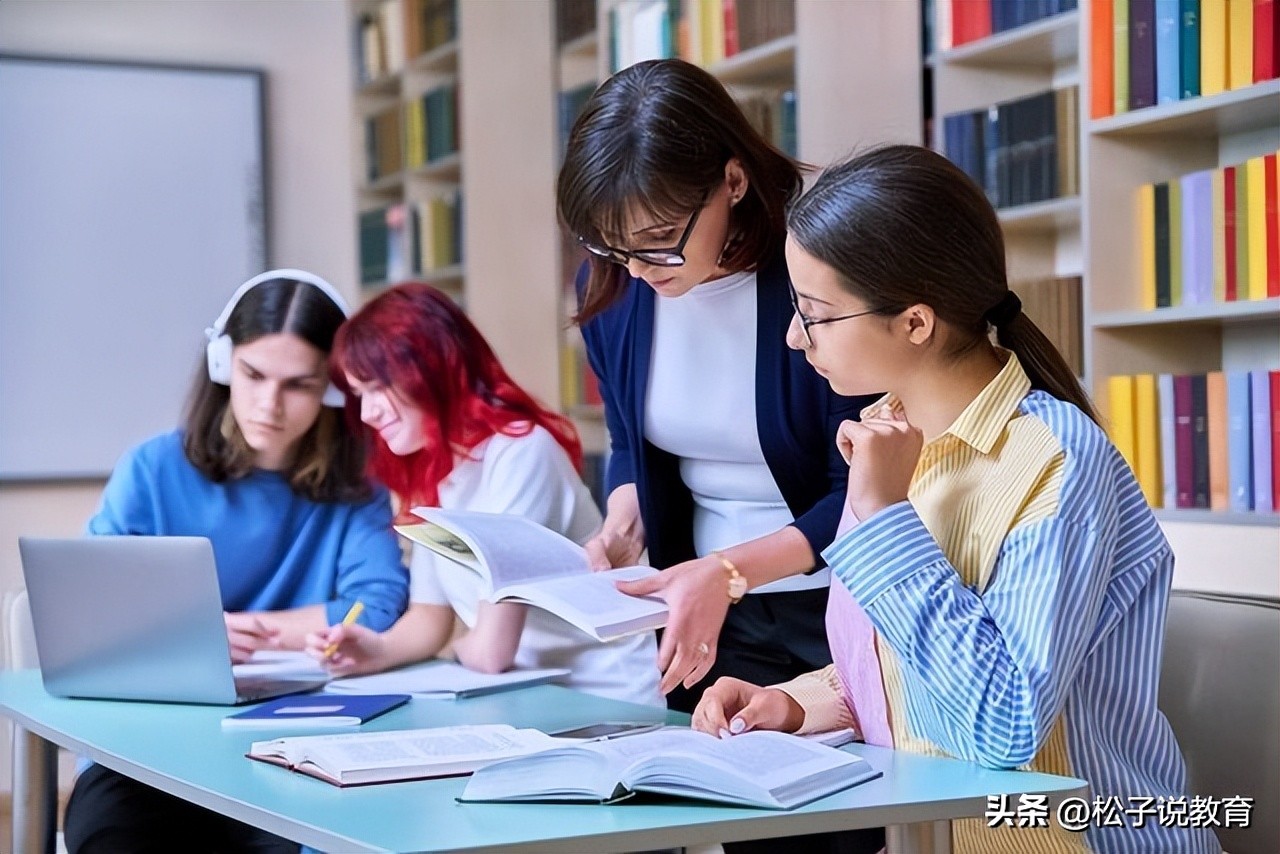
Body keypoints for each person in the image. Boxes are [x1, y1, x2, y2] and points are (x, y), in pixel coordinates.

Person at [693, 145, 1221, 854]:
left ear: (915, 322)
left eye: (814, 313)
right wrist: (792, 704)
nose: (795, 336)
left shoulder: (1055, 460)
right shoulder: (890, 440)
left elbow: (1002, 726)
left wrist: (882, 518)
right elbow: (907, 675)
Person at [557, 58, 882, 712]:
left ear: (732, 180)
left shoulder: (821, 276)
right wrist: (626, 516)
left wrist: (731, 573)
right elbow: (629, 438)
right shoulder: (612, 286)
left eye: (658, 241)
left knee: (836, 809)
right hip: (706, 610)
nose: (639, 268)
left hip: (835, 600)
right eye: (613, 244)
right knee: (712, 799)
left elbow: (864, 486)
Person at [63, 270, 409, 854]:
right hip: (147, 752)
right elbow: (94, 608)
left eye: (298, 385)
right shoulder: (151, 470)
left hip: (297, 749)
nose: (269, 405)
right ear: (223, 364)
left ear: (331, 389)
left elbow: (373, 608)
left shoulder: (358, 487)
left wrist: (226, 633)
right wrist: (201, 635)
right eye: (253, 375)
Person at [305, 283, 661, 707]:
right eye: (359, 394)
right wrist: (374, 651)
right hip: (526, 694)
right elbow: (430, 617)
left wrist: (446, 656)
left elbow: (492, 652)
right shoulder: (432, 468)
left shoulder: (520, 451)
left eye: (379, 387)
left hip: (607, 696)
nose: (367, 413)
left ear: (433, 368)